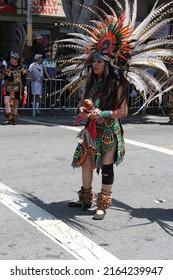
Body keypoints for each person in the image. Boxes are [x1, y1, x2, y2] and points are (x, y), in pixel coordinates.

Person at [56, 1, 172, 220]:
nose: (95, 65)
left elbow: (123, 111)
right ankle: (85, 198)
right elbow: (81, 105)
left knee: (107, 168)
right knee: (86, 163)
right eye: (94, 62)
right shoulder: (90, 81)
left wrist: (104, 114)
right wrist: (83, 110)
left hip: (109, 131)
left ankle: (103, 203)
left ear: (108, 63)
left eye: (99, 61)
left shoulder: (118, 84)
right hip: (91, 130)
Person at [2, 51, 27, 125]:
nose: (11, 60)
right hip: (8, 86)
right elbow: (4, 77)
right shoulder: (8, 68)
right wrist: (3, 74)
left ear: (16, 60)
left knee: (15, 105)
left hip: (17, 88)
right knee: (6, 102)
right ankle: (8, 119)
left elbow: (24, 81)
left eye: (12, 59)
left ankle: (13, 119)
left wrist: (25, 89)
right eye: (10, 59)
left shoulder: (22, 69)